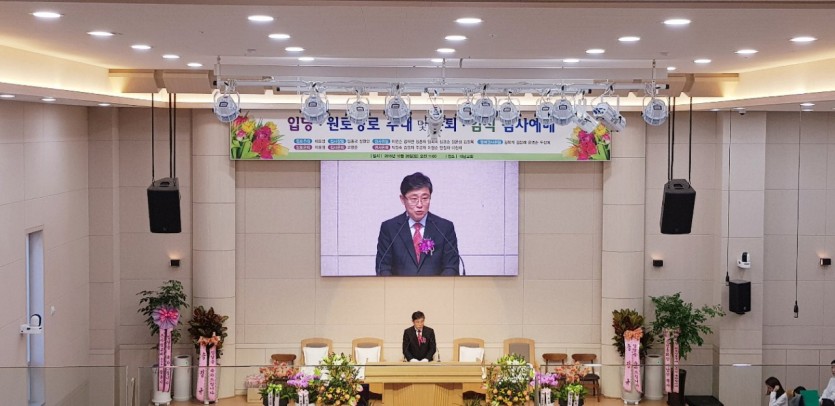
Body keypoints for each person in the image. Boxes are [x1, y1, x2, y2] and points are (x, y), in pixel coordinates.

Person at [376, 172, 460, 276]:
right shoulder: (389, 228)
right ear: (402, 199)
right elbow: (383, 267)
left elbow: (451, 267)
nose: (420, 204)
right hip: (399, 287)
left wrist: (437, 286)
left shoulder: (444, 228)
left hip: (436, 286)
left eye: (425, 198)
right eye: (414, 199)